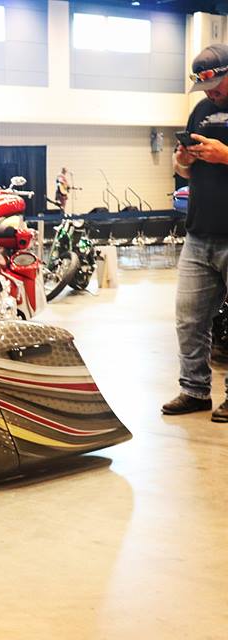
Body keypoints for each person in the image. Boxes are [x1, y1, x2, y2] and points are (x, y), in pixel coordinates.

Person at [162, 44, 228, 420]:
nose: (210, 92)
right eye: (205, 86)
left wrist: (225, 155)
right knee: (189, 319)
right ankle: (194, 390)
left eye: (216, 84)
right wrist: (183, 161)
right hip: (200, 233)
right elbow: (186, 172)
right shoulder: (200, 110)